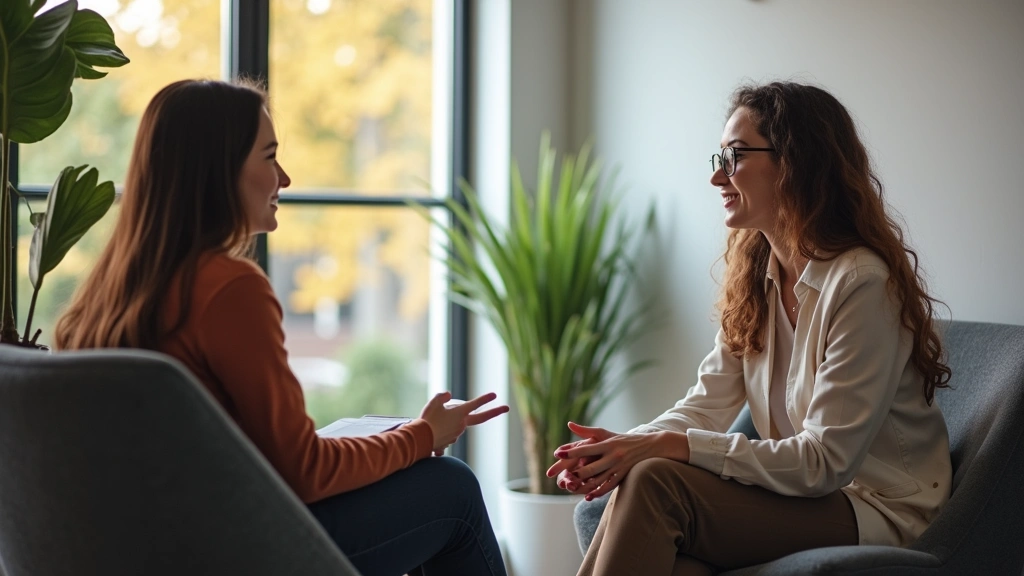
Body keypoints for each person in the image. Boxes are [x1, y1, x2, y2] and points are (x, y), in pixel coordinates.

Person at [55, 79, 509, 576]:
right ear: (218, 171)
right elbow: (304, 472)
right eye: (269, 157)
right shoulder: (226, 286)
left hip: (142, 551)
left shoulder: (101, 297)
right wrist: (422, 436)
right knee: (451, 488)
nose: (285, 178)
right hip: (231, 554)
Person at [547, 81, 953, 576]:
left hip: (878, 506)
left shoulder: (862, 284)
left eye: (734, 157)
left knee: (656, 483)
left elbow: (823, 461)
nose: (718, 178)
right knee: (650, 493)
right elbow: (706, 405)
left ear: (796, 163)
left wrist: (662, 449)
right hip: (806, 497)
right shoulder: (758, 279)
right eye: (717, 158)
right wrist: (622, 447)